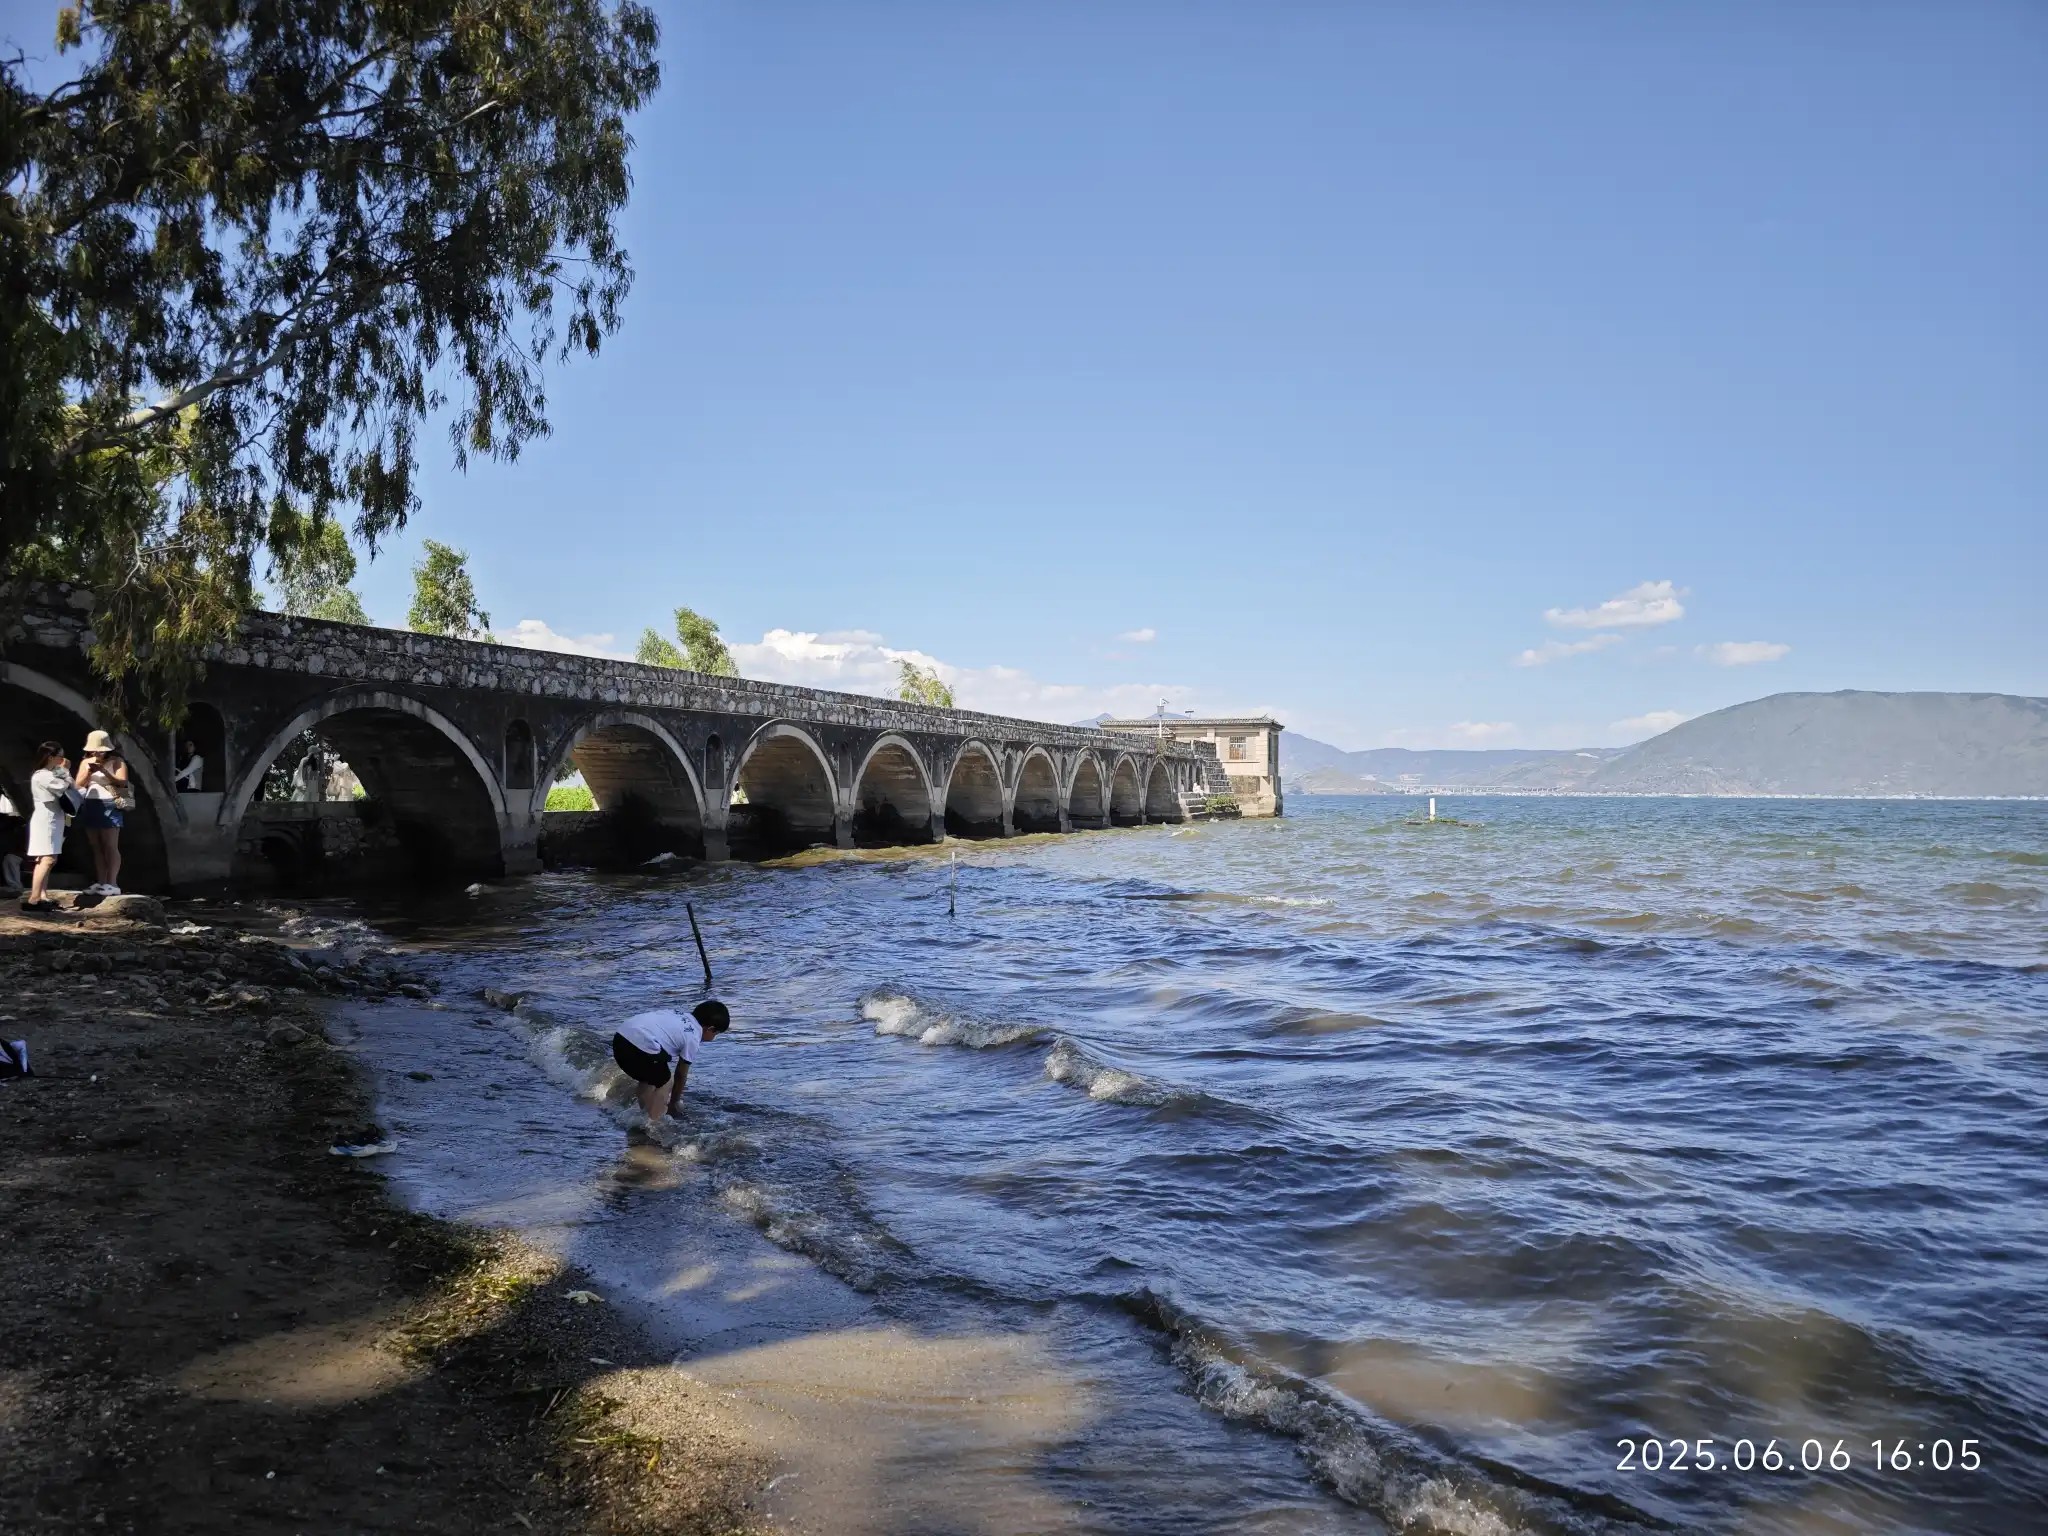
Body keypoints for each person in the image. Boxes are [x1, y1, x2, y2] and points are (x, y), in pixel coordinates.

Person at [611, 999, 731, 1123]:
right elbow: (681, 1073)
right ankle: (653, 1123)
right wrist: (674, 1102)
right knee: (666, 1082)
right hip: (639, 1045)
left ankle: (642, 1114)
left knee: (651, 1078)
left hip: (620, 1038)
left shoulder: (677, 1014)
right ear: (710, 1029)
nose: (713, 1038)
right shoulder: (693, 1036)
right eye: (716, 1034)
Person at [22, 742, 79, 913]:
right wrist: (65, 771)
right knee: (46, 859)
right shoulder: (42, 775)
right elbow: (63, 786)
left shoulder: (51, 773)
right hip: (46, 820)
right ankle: (34, 898)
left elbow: (72, 785)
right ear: (51, 757)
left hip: (54, 818)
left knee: (49, 858)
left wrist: (64, 772)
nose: (62, 760)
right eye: (60, 757)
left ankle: (42, 895)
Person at [73, 729, 130, 896]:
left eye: (100, 750)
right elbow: (78, 784)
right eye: (93, 750)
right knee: (96, 845)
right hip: (91, 802)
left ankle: (112, 883)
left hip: (109, 802)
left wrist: (104, 771)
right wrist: (89, 772)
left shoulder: (117, 761)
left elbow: (122, 782)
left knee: (110, 845)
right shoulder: (85, 762)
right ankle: (101, 881)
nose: (96, 753)